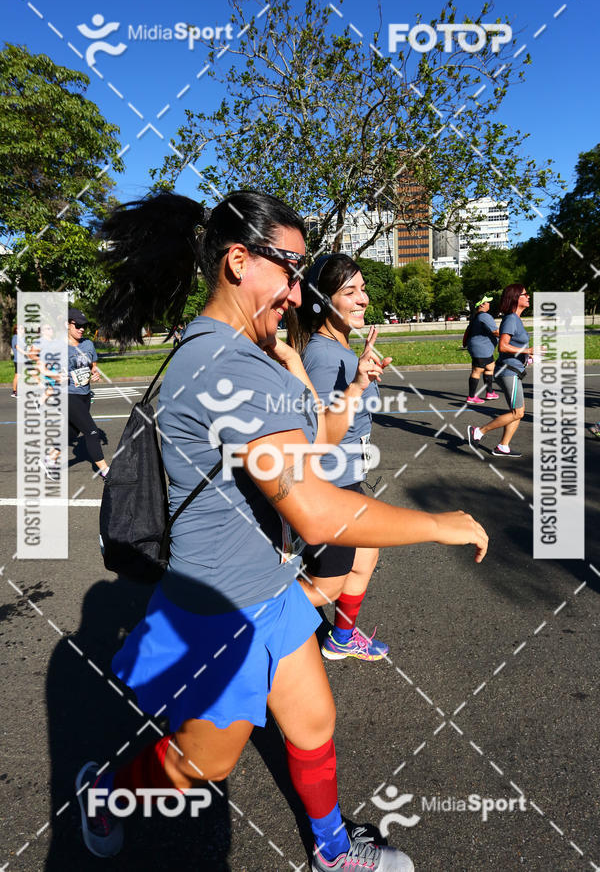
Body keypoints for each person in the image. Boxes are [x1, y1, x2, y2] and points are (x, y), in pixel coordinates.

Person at [76, 190, 488, 872]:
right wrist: (438, 524)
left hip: (270, 588)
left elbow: (311, 447)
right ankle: (104, 792)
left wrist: (330, 389)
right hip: (220, 609)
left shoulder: (250, 353)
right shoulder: (223, 364)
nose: (299, 292)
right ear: (239, 261)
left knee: (314, 724)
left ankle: (332, 849)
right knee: (201, 765)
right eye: (290, 269)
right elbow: (315, 510)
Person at [287, 254, 392, 661]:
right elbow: (314, 433)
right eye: (350, 291)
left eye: (362, 288)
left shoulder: (340, 349)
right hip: (332, 484)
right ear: (321, 302)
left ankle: (342, 638)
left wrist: (363, 373)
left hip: (350, 477)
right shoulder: (325, 357)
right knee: (326, 586)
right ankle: (242, 621)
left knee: (366, 556)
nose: (362, 298)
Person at [467, 283, 533, 458]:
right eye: (525, 294)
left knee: (517, 413)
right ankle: (479, 431)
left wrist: (527, 357)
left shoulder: (515, 319)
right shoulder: (511, 319)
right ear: (515, 298)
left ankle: (503, 446)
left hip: (514, 370)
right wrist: (527, 351)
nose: (528, 297)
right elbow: (503, 347)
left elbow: (512, 345)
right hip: (508, 371)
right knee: (517, 412)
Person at [65, 307, 109, 478]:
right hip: (68, 394)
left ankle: (49, 458)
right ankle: (106, 471)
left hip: (85, 395)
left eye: (84, 325)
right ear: (67, 325)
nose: (82, 329)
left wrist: (95, 373)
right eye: (78, 325)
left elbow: (93, 366)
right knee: (91, 431)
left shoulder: (88, 344)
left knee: (73, 431)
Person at [464, 296, 500, 404]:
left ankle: (489, 392)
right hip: (481, 349)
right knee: (477, 370)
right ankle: (471, 397)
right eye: (488, 302)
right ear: (482, 304)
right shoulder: (484, 316)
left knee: (490, 367)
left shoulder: (476, 316)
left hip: (483, 348)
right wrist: (508, 336)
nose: (489, 304)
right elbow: (495, 332)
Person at [10, 323, 26, 397]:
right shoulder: (15, 337)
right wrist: (26, 353)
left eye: (23, 328)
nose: (23, 330)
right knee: (18, 375)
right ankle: (14, 392)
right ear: (17, 330)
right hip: (18, 360)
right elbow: (17, 347)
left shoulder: (23, 338)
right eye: (21, 328)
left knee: (19, 375)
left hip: (23, 359)